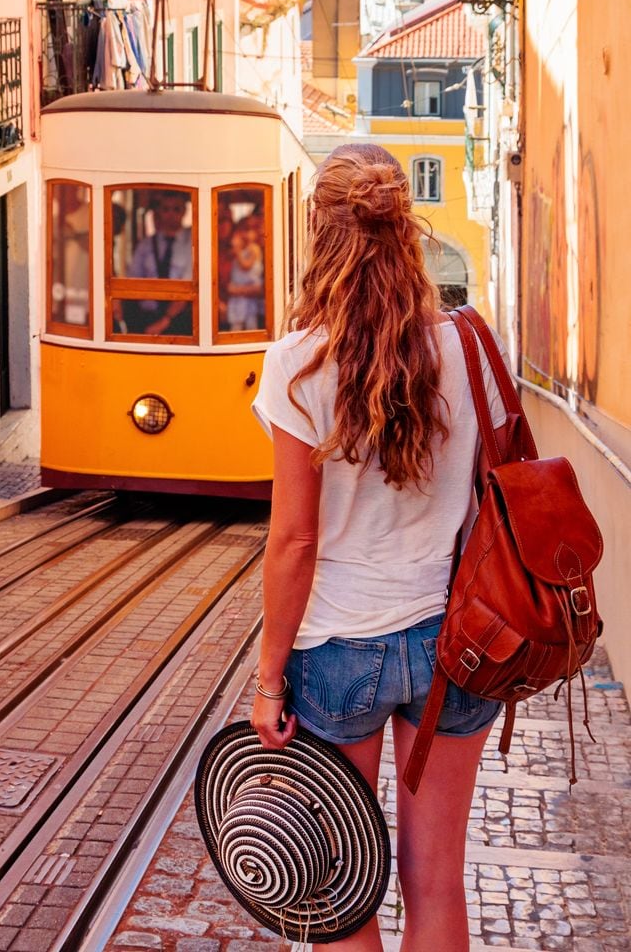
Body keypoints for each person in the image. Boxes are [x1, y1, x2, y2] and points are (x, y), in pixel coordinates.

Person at [249, 143, 507, 952]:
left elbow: (294, 541)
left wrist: (267, 681)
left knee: (342, 889)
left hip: (337, 647)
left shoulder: (296, 365)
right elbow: (486, 497)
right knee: (438, 885)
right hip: (453, 642)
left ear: (319, 232)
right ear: (407, 231)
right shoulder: (468, 347)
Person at [119, 190, 193, 336]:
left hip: (180, 321)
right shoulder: (145, 245)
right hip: (147, 318)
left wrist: (165, 321)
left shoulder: (192, 244)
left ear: (184, 211)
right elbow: (132, 281)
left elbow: (189, 286)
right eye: (166, 209)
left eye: (176, 209)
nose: (171, 214)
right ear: (159, 212)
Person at [225, 219, 264, 331]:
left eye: (249, 231)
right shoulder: (242, 249)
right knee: (236, 323)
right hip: (238, 295)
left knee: (250, 323)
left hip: (250, 292)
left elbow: (246, 266)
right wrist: (235, 245)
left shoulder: (254, 248)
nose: (245, 235)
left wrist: (237, 251)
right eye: (242, 231)